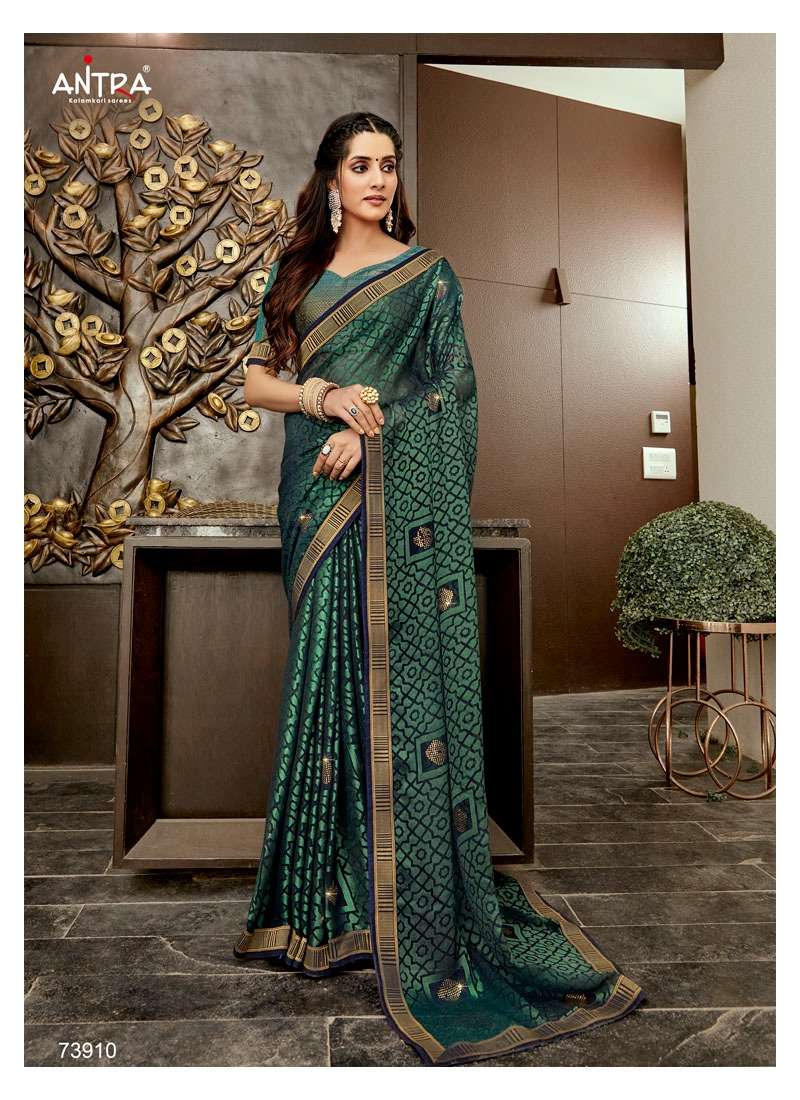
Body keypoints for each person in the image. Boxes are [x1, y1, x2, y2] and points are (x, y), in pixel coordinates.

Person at [232, 111, 645, 1067]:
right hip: (312, 504)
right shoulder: (294, 273)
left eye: (388, 165)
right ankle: (322, 905)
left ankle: (406, 900)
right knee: (327, 687)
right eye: (360, 166)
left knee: (394, 696)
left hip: (380, 498)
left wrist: (372, 434)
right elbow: (253, 383)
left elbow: (453, 392)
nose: (378, 180)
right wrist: (324, 398)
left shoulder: (427, 277)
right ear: (331, 180)